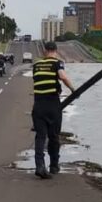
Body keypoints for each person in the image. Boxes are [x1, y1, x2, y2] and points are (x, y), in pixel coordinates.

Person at [32, 41, 75, 179]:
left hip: (38, 105)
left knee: (40, 137)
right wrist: (73, 90)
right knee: (54, 137)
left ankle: (39, 165)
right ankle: (54, 166)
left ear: (45, 51)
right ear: (55, 51)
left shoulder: (36, 65)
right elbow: (62, 76)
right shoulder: (57, 63)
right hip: (52, 105)